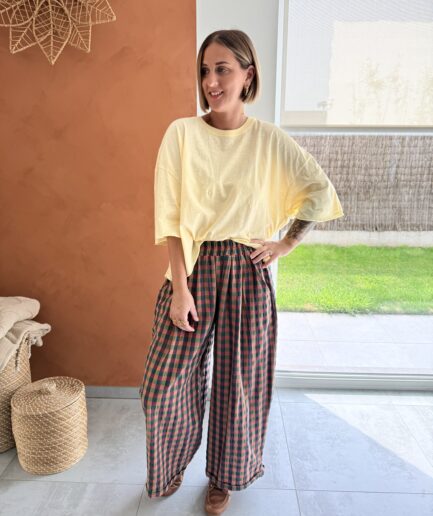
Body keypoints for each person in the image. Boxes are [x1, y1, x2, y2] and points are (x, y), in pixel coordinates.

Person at [139, 29, 344, 515]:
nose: (211, 81)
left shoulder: (269, 139)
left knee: (240, 383)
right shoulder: (181, 134)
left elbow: (318, 190)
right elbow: (171, 217)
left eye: (223, 69)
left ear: (248, 75)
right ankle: (169, 467)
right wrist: (180, 289)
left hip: (248, 271)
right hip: (194, 269)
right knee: (161, 385)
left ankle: (225, 478)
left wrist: (287, 242)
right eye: (205, 71)